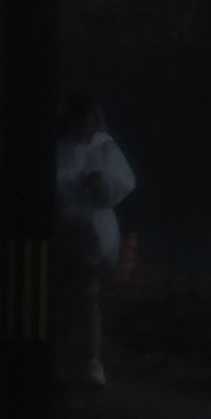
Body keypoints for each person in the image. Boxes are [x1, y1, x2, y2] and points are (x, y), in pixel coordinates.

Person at [55, 93, 136, 388]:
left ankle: (90, 360)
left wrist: (101, 183)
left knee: (88, 296)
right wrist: (75, 181)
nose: (86, 132)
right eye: (81, 125)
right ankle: (68, 357)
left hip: (93, 229)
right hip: (63, 224)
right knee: (65, 294)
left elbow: (123, 184)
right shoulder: (59, 145)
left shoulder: (103, 146)